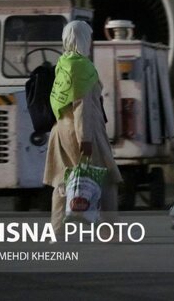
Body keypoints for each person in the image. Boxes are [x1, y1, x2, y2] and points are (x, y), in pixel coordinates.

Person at [44, 20, 122, 235]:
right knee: (106, 179)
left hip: (61, 130)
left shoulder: (63, 63)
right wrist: (85, 138)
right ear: (83, 39)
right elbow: (82, 105)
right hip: (83, 131)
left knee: (62, 182)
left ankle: (56, 233)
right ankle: (110, 232)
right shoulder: (82, 66)